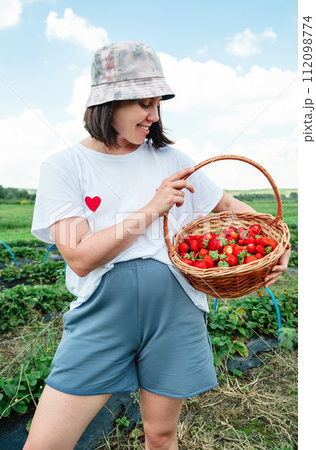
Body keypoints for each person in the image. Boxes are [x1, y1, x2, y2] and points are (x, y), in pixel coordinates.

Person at [24, 41, 291, 450]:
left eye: (158, 104)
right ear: (108, 104)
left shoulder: (171, 157)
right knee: (46, 444)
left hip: (175, 311)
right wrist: (151, 208)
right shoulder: (64, 166)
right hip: (102, 315)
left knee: (162, 435)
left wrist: (278, 241)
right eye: (144, 103)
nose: (154, 115)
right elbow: (78, 257)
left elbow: (229, 207)